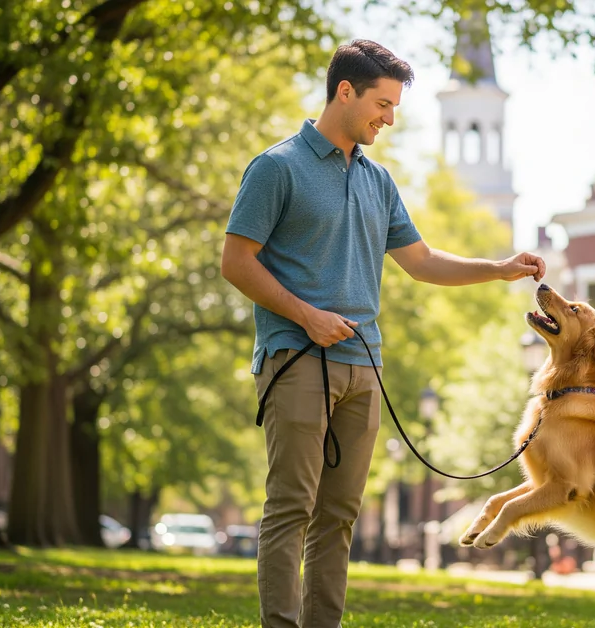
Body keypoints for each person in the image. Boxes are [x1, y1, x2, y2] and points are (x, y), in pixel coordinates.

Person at [220, 39, 546, 628]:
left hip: (363, 367)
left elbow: (420, 262)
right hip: (295, 358)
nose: (389, 118)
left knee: (339, 514)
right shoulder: (277, 167)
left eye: (395, 107)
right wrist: (305, 315)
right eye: (383, 104)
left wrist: (497, 268)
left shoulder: (378, 181)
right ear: (345, 91)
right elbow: (236, 262)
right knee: (291, 507)